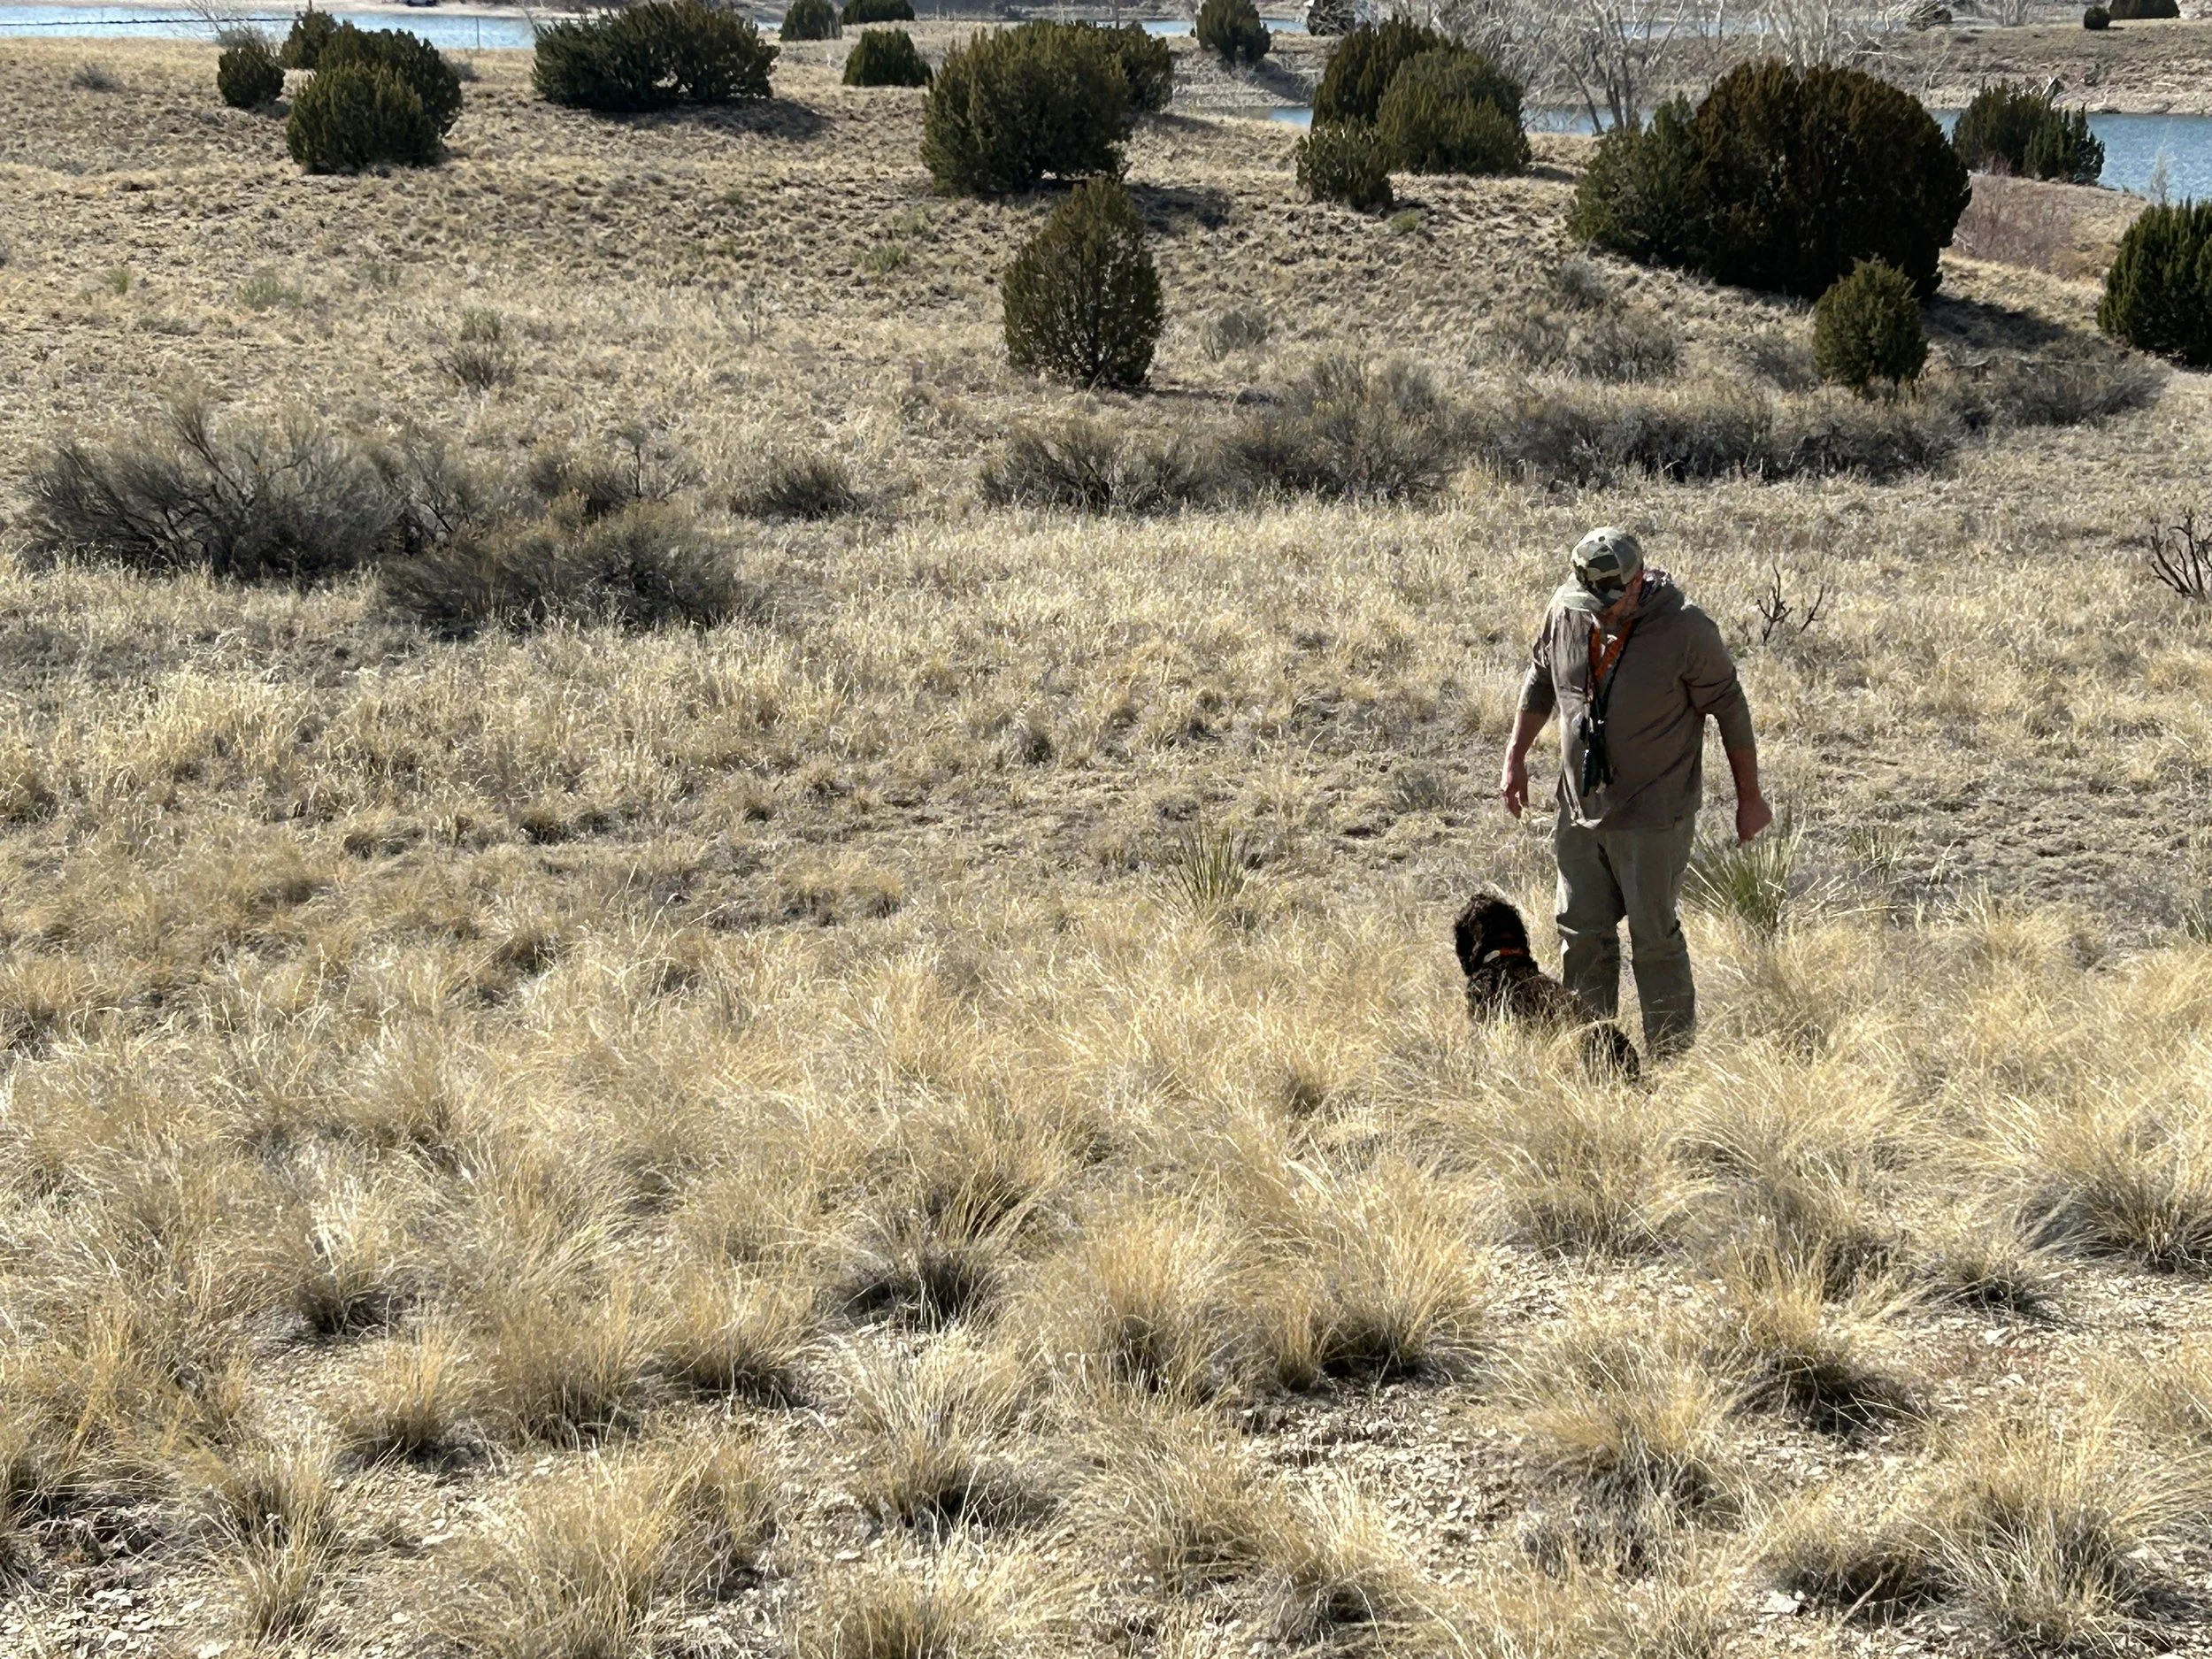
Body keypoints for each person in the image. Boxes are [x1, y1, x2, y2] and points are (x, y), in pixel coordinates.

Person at [1497, 527, 1771, 1058]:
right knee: (1581, 933)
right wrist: (1515, 757)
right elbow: (1540, 678)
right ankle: (1593, 1056)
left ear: (1639, 579)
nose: (1599, 611)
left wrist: (1750, 798)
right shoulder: (1567, 608)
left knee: (1654, 940)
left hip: (1653, 814)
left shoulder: (1685, 628)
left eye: (1611, 599)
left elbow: (1730, 707)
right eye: (1591, 599)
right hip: (1580, 810)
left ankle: (1672, 1061)